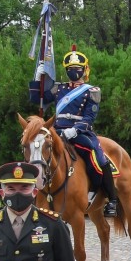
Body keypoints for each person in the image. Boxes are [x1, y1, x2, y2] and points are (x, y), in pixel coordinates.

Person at [29, 45, 119, 218]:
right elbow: (37, 99)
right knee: (36, 149)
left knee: (97, 156)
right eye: (70, 69)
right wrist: (38, 77)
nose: (74, 72)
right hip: (56, 132)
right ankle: (35, 190)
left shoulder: (92, 91)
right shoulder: (58, 88)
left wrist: (74, 130)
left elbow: (90, 117)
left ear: (85, 70)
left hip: (80, 132)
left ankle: (111, 198)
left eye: (77, 69)